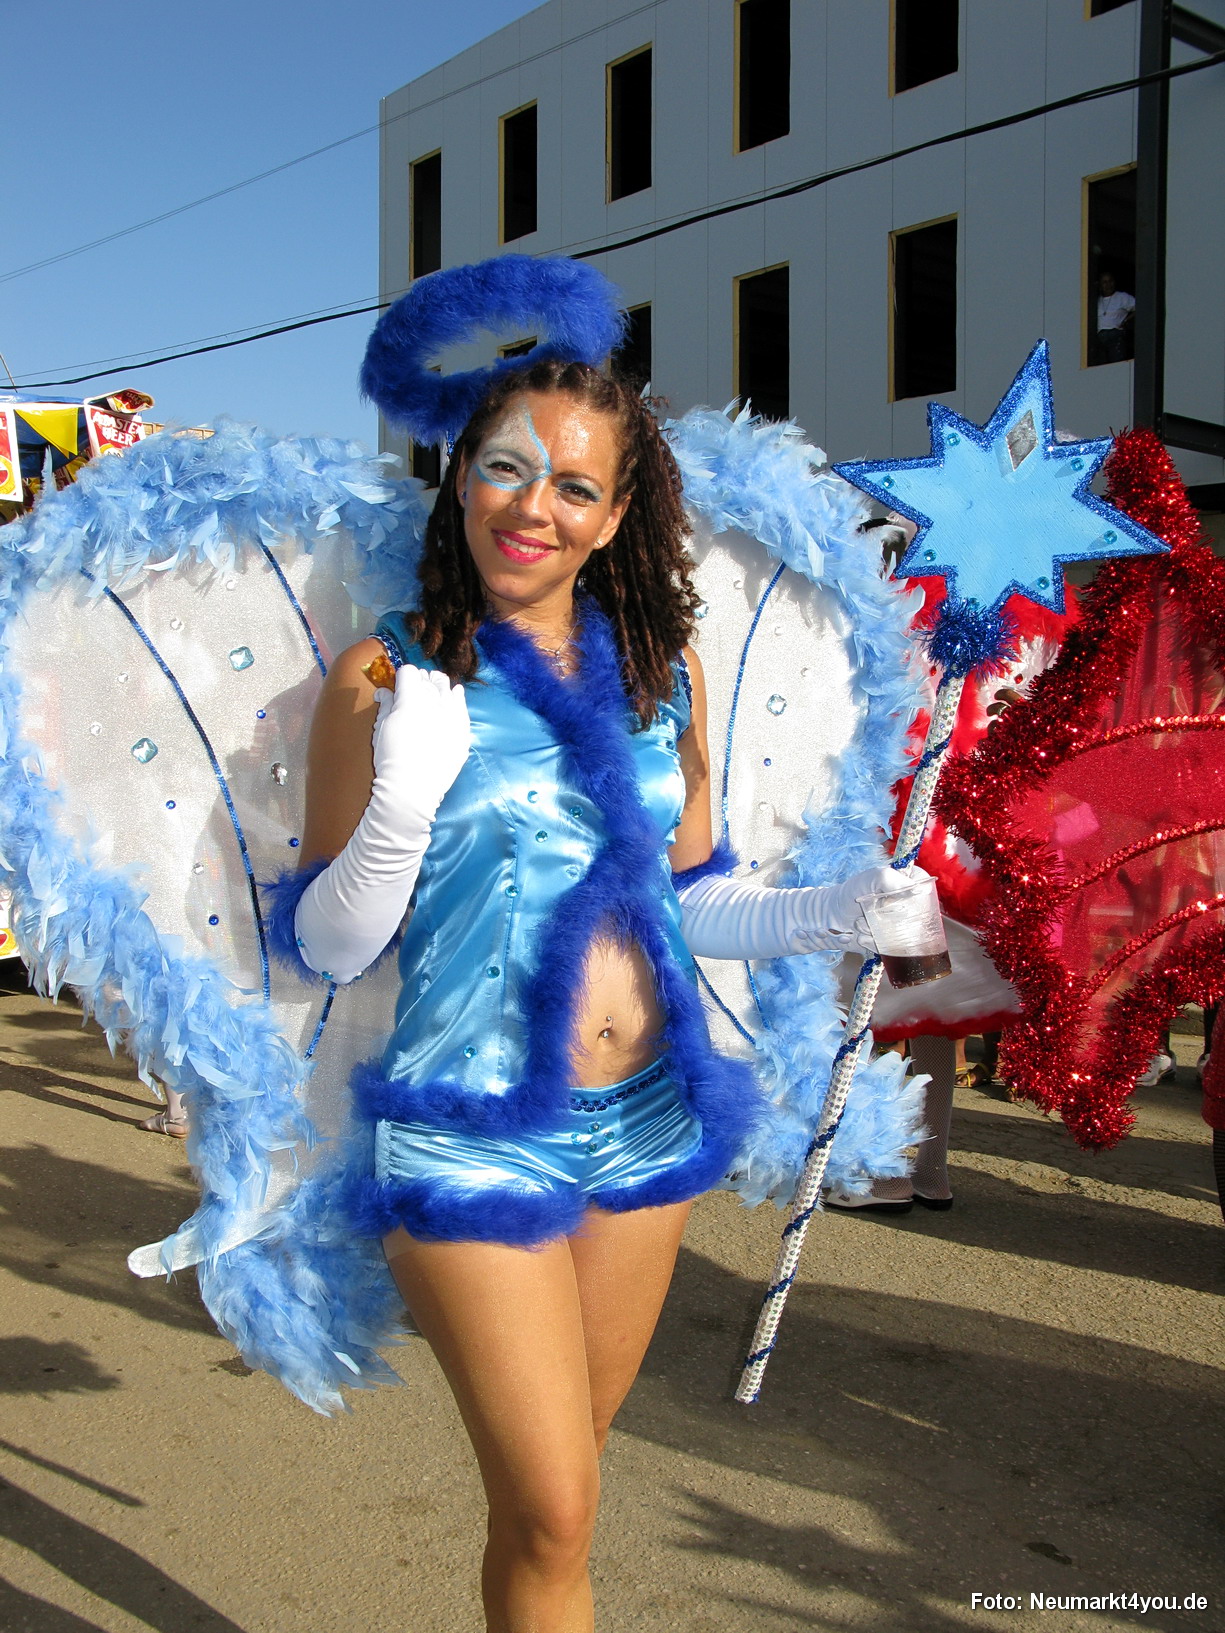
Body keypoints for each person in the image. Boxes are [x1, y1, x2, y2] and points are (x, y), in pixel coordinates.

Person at [289, 336, 922, 1631]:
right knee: (558, 1504)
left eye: (575, 486)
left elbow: (697, 902)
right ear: (458, 476)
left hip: (647, 1118)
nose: (535, 506)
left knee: (558, 1495)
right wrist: (403, 799)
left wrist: (836, 911)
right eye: (506, 467)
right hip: (469, 1125)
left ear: (618, 514)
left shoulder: (660, 674)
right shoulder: (381, 675)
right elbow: (329, 943)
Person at [1095, 271, 1135, 365]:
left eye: (1110, 281)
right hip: (1100, 338)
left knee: (1117, 365)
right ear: (1100, 285)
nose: (1108, 285)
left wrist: (1127, 320)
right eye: (1105, 282)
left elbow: (1140, 308)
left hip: (1116, 336)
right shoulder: (1096, 301)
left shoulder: (1122, 297)